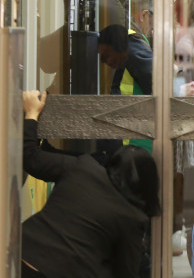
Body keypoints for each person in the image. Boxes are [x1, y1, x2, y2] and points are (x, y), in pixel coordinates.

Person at [20, 90, 161, 278]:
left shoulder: (83, 167)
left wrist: (31, 114)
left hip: (17, 256)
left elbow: (30, 158)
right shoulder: (132, 218)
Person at [99, 24, 153, 95]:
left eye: (107, 55)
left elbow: (153, 81)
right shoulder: (128, 45)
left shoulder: (132, 49)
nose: (102, 61)